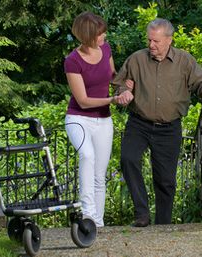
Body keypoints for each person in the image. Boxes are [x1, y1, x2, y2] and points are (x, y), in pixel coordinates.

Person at [112, 18, 202, 226]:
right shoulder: (136, 59)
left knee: (166, 181)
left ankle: (163, 225)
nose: (151, 45)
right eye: (149, 40)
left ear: (169, 40)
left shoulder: (184, 61)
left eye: (156, 41)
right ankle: (141, 214)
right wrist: (123, 92)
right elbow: (118, 83)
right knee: (128, 159)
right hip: (139, 123)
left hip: (169, 127)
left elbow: (201, 81)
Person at [64, 11, 118, 227]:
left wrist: (124, 86)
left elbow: (112, 76)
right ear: (87, 36)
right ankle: (87, 215)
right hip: (79, 118)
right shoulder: (73, 61)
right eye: (100, 33)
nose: (104, 36)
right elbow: (84, 101)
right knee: (87, 156)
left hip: (103, 120)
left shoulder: (105, 49)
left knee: (99, 175)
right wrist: (113, 99)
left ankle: (97, 223)